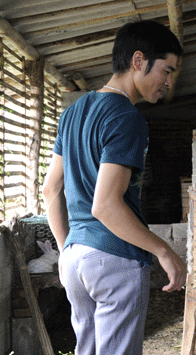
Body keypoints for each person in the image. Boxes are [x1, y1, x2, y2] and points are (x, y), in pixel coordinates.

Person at [42, 20, 187, 355]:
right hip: (114, 259)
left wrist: (69, 252)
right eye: (166, 71)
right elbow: (105, 205)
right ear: (138, 60)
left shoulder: (73, 112)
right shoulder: (127, 117)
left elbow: (50, 189)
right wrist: (163, 251)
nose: (168, 82)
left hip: (76, 259)